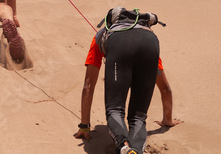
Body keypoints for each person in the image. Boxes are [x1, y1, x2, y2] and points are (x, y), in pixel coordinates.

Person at [75, 11, 182, 154]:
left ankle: (124, 147)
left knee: (115, 110)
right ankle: (136, 151)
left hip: (119, 44)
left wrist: (84, 126)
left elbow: (88, 86)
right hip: (150, 43)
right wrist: (167, 120)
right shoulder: (146, 34)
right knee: (138, 116)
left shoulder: (101, 36)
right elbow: (165, 89)